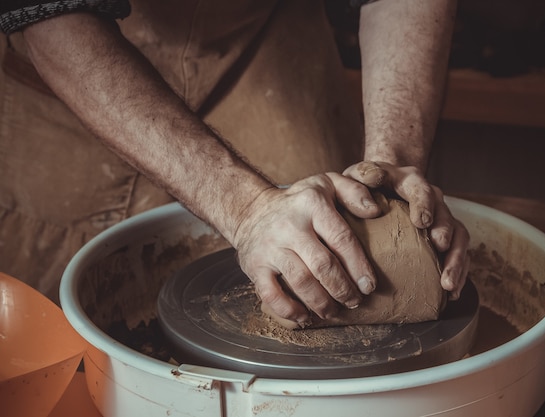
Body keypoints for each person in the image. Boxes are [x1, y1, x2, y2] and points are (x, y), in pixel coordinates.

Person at [0, 0, 469, 326]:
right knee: (58, 328)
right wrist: (248, 209)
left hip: (263, 48)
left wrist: (391, 167)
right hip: (73, 73)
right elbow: (52, 15)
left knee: (325, 257)